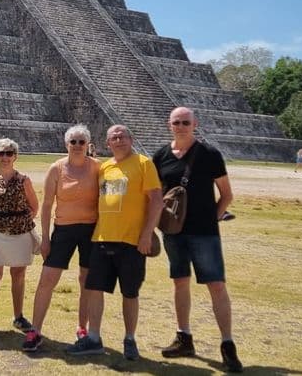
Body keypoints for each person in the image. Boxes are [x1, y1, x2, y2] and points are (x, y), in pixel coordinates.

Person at [153, 107, 243, 373]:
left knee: (216, 285)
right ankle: (184, 337)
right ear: (169, 125)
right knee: (180, 282)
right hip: (173, 232)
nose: (180, 126)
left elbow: (226, 194)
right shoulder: (161, 156)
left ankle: (227, 345)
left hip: (204, 233)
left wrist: (211, 220)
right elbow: (158, 195)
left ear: (195, 124)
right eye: (176, 122)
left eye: (185, 122)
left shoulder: (210, 155)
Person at [66, 125, 163, 360]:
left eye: (122, 137)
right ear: (107, 143)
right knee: (94, 289)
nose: (118, 140)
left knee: (129, 292)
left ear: (130, 140)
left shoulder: (143, 163)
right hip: (102, 237)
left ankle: (130, 339)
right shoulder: (105, 167)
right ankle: (94, 337)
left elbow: (156, 200)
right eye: (114, 138)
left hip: (131, 240)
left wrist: (146, 234)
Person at [22, 124, 99, 352]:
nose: (77, 146)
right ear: (66, 144)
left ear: (88, 144)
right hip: (63, 230)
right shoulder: (56, 168)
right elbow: (46, 206)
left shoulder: (97, 168)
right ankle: (35, 330)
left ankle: (82, 328)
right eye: (73, 142)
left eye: (81, 142)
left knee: (86, 280)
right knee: (47, 279)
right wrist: (45, 238)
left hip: (91, 231)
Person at [0, 138, 39, 343]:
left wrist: (19, 222)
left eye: (9, 153)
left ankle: (18, 316)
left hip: (19, 234)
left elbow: (34, 206)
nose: (5, 157)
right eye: (1, 153)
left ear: (15, 156)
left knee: (18, 274)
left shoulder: (24, 180)